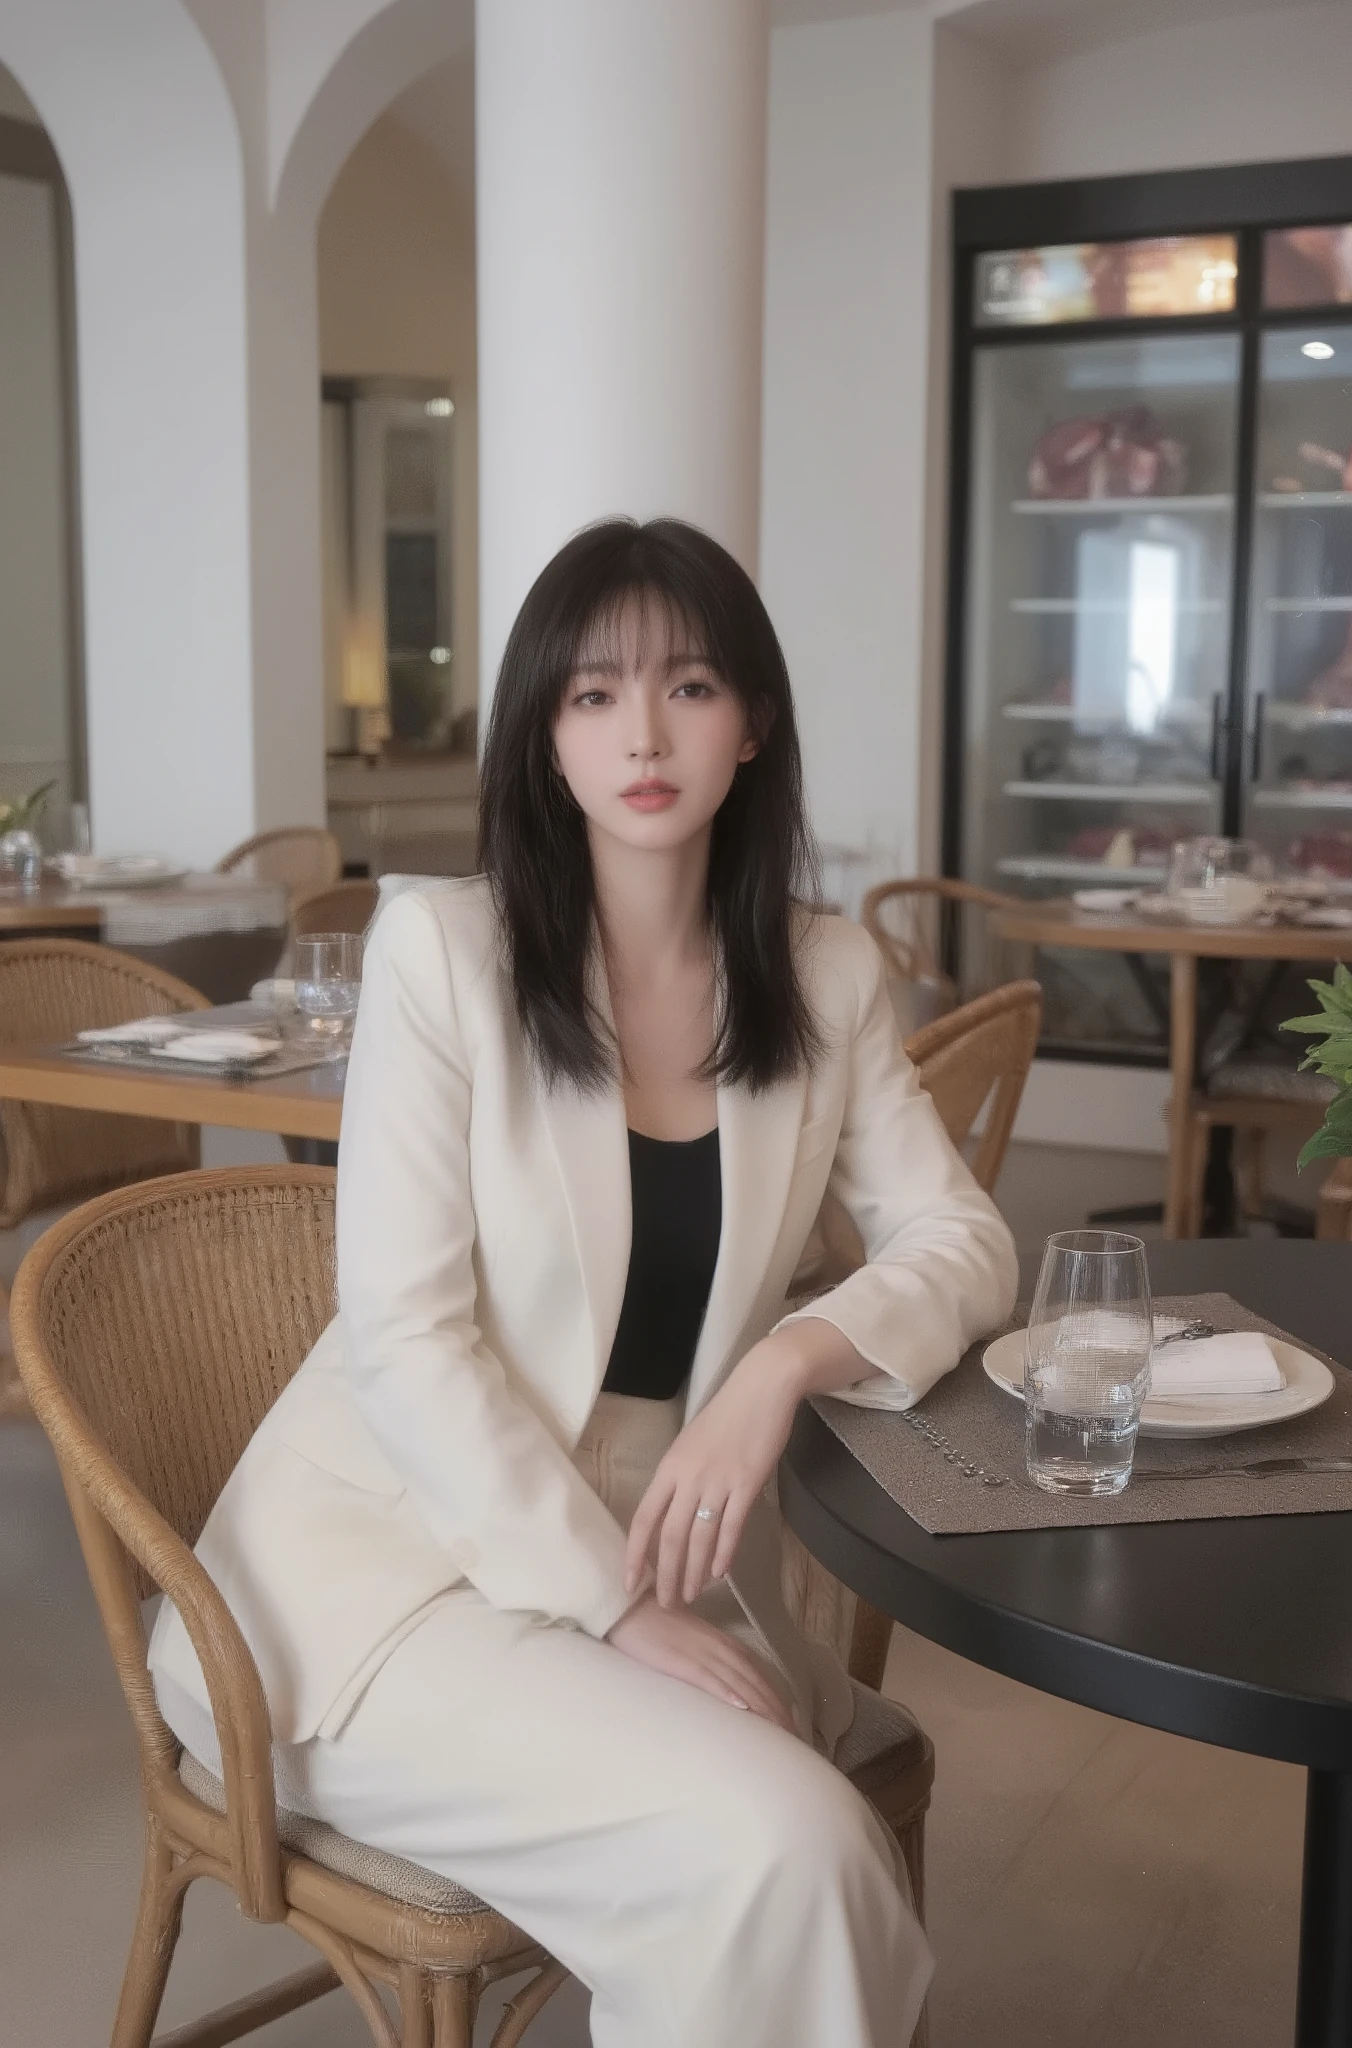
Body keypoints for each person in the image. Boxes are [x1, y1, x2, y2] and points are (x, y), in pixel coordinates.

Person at [149, 517, 1018, 2046]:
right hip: (389, 1574)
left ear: (752, 725)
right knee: (790, 1849)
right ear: (545, 736)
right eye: (593, 694)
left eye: (688, 687)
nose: (643, 733)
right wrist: (609, 1607)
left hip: (667, 1546)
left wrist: (780, 1367)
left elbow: (966, 1243)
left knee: (788, 1852)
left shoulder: (822, 978)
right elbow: (408, 1342)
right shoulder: (444, 956)